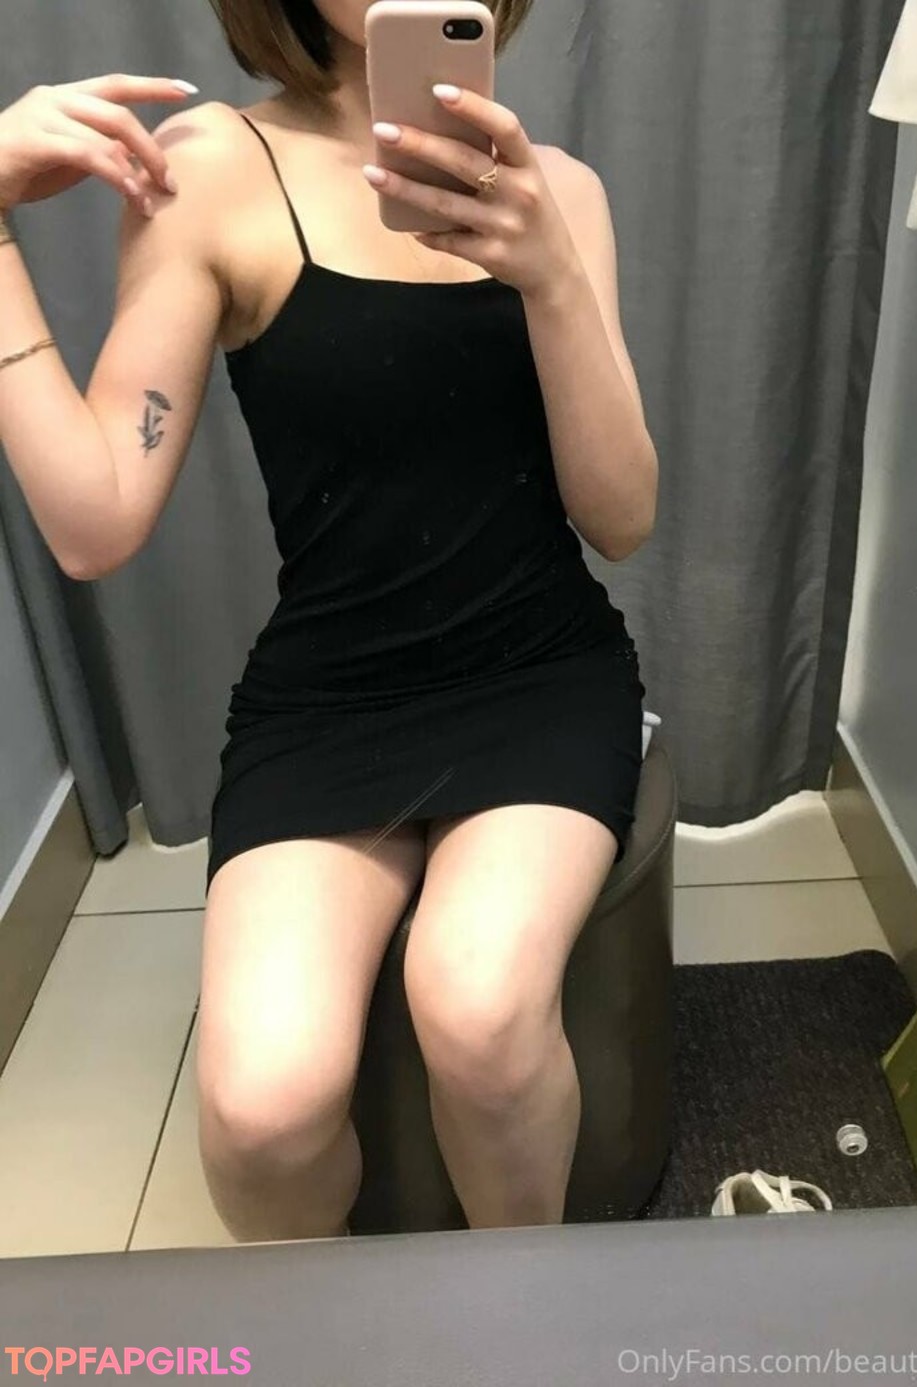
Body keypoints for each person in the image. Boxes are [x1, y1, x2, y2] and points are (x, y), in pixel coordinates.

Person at [0, 0, 658, 1243]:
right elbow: (94, 522)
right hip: (330, 696)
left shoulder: (560, 190)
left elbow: (622, 519)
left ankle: (527, 1310)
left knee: (479, 1009)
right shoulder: (212, 171)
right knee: (262, 1109)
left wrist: (552, 272)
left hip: (537, 674)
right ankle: (326, 1330)